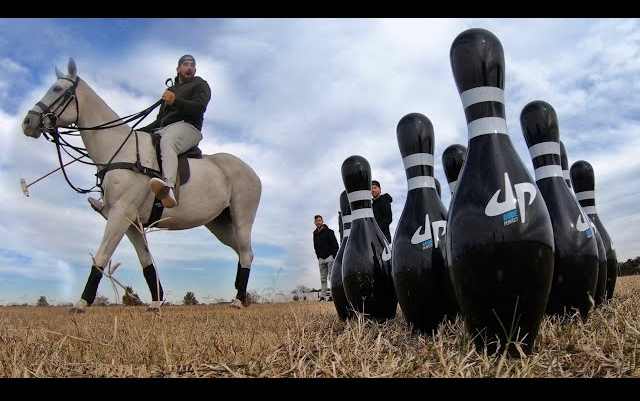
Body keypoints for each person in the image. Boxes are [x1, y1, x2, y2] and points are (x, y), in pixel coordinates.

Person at [140, 54, 212, 208]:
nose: (190, 67)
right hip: (164, 129)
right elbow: (159, 120)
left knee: (168, 142)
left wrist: (176, 101)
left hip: (189, 128)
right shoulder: (170, 90)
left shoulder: (200, 85)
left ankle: (168, 188)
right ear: (178, 69)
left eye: (192, 65)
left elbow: (199, 108)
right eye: (186, 64)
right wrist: (136, 133)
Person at [313, 215, 339, 301]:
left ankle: (333, 295)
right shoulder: (315, 233)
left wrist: (333, 256)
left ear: (322, 221)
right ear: (314, 223)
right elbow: (315, 247)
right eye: (316, 221)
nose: (318, 222)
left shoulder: (329, 231)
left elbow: (335, 245)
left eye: (319, 220)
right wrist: (318, 256)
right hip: (321, 259)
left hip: (330, 257)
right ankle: (323, 296)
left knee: (331, 277)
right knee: (323, 279)